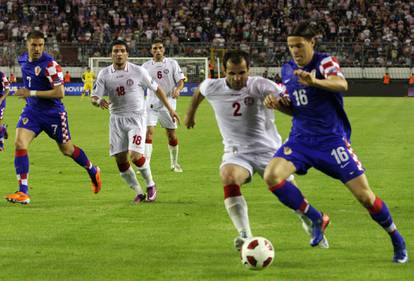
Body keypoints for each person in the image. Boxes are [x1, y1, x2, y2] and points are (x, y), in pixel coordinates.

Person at [263, 21, 407, 263]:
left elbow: (342, 84)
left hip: (332, 143)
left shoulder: (324, 62)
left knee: (365, 197)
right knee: (272, 176)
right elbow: (297, 109)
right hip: (301, 140)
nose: (295, 51)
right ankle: (316, 217)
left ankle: (396, 238)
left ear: (312, 43)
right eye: (291, 46)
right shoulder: (287, 70)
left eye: (299, 45)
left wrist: (315, 81)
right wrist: (279, 106)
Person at [184, 50, 328, 251]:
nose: (237, 78)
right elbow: (200, 90)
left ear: (248, 70)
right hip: (237, 151)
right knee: (228, 175)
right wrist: (190, 114)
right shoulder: (213, 86)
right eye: (232, 73)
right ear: (223, 71)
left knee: (292, 198)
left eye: (241, 72)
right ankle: (245, 236)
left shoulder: (260, 85)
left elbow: (293, 108)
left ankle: (309, 219)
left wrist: (278, 105)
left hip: (269, 151)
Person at [5, 31, 101, 205]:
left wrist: (31, 92)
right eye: (34, 45)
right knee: (19, 143)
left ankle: (93, 170)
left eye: (40, 45)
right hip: (32, 112)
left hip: (54, 115)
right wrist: (29, 96)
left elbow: (60, 92)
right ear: (27, 44)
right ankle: (23, 191)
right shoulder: (23, 60)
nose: (37, 48)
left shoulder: (50, 64)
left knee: (67, 150)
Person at [91, 40, 179, 203]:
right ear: (111, 54)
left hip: (136, 118)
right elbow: (94, 96)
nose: (118, 54)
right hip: (116, 119)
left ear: (127, 54)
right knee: (120, 159)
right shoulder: (104, 74)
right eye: (115, 51)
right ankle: (139, 192)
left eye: (122, 51)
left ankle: (151, 185)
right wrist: (98, 101)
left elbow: (157, 89)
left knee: (135, 154)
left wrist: (171, 109)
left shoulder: (138, 71)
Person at [142, 38, 185, 172]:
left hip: (169, 104)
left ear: (164, 50)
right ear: (151, 51)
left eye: (160, 48)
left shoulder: (172, 63)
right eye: (155, 48)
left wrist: (178, 89)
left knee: (171, 134)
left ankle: (174, 163)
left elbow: (181, 81)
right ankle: (145, 165)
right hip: (151, 103)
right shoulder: (145, 66)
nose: (158, 50)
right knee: (149, 132)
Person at [0, 71, 10, 151]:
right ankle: (3, 128)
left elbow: (7, 89)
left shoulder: (2, 75)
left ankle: (1, 145)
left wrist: (1, 99)